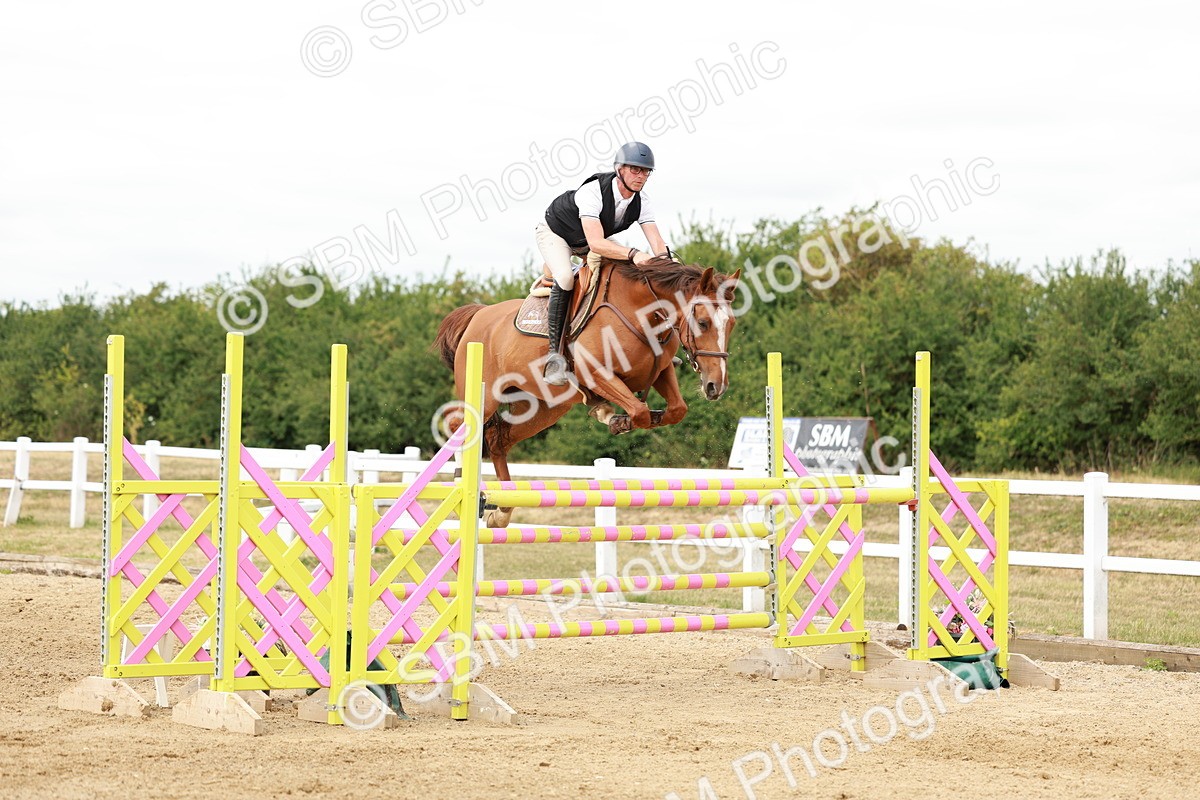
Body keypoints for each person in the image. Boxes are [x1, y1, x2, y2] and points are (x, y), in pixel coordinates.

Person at [535, 141, 672, 385]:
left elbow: (657, 242)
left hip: (589, 239)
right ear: (620, 169)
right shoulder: (593, 192)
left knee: (626, 274)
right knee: (566, 277)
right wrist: (633, 254)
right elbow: (596, 244)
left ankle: (649, 344)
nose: (640, 177)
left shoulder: (642, 201)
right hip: (557, 234)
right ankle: (554, 356)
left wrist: (668, 268)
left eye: (645, 172)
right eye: (635, 170)